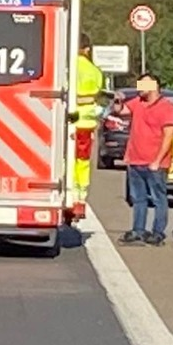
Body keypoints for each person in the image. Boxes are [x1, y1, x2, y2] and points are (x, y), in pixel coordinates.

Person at [110, 73, 173, 246]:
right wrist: (117, 100)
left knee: (158, 198)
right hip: (135, 160)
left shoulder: (167, 108)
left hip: (155, 164)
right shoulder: (137, 103)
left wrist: (157, 160)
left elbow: (168, 136)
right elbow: (120, 111)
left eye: (144, 85)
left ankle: (157, 232)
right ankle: (138, 230)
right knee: (138, 198)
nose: (139, 88)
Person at [70, 33, 105, 220]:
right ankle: (80, 199)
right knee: (82, 161)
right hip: (86, 123)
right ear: (87, 49)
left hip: (67, 120)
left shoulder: (67, 66)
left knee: (65, 160)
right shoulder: (95, 71)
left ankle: (67, 192)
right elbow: (96, 95)